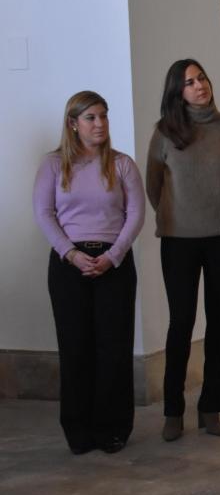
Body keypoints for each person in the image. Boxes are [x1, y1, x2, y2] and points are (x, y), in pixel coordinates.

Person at [33, 91, 144, 455]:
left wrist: (113, 255)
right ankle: (78, 429)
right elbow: (44, 213)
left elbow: (135, 214)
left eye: (103, 116)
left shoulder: (122, 164)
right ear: (73, 124)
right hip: (69, 265)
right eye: (91, 118)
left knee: (113, 347)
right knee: (76, 347)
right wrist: (70, 253)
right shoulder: (53, 165)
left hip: (114, 263)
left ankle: (113, 427)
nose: (100, 124)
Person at [146, 59, 220, 441]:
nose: (199, 86)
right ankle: (174, 411)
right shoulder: (165, 132)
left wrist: (217, 209)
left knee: (219, 321)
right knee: (181, 322)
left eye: (201, 78)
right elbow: (154, 185)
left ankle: (211, 408)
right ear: (178, 91)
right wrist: (178, 216)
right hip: (178, 240)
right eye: (189, 82)